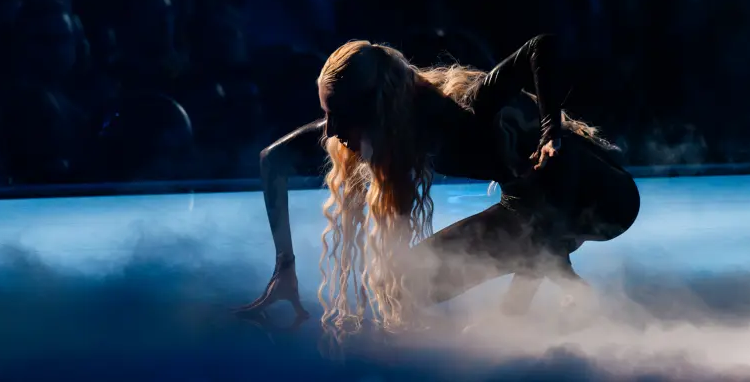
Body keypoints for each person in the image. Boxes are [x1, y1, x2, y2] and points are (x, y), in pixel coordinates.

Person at [237, 34, 640, 333]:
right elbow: (273, 160)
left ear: (381, 106)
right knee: (400, 283)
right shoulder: (382, 124)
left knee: (531, 215)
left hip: (604, 197)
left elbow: (541, 47)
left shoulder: (464, 112)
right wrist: (284, 269)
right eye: (329, 115)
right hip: (541, 204)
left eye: (342, 115)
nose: (332, 131)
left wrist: (553, 133)